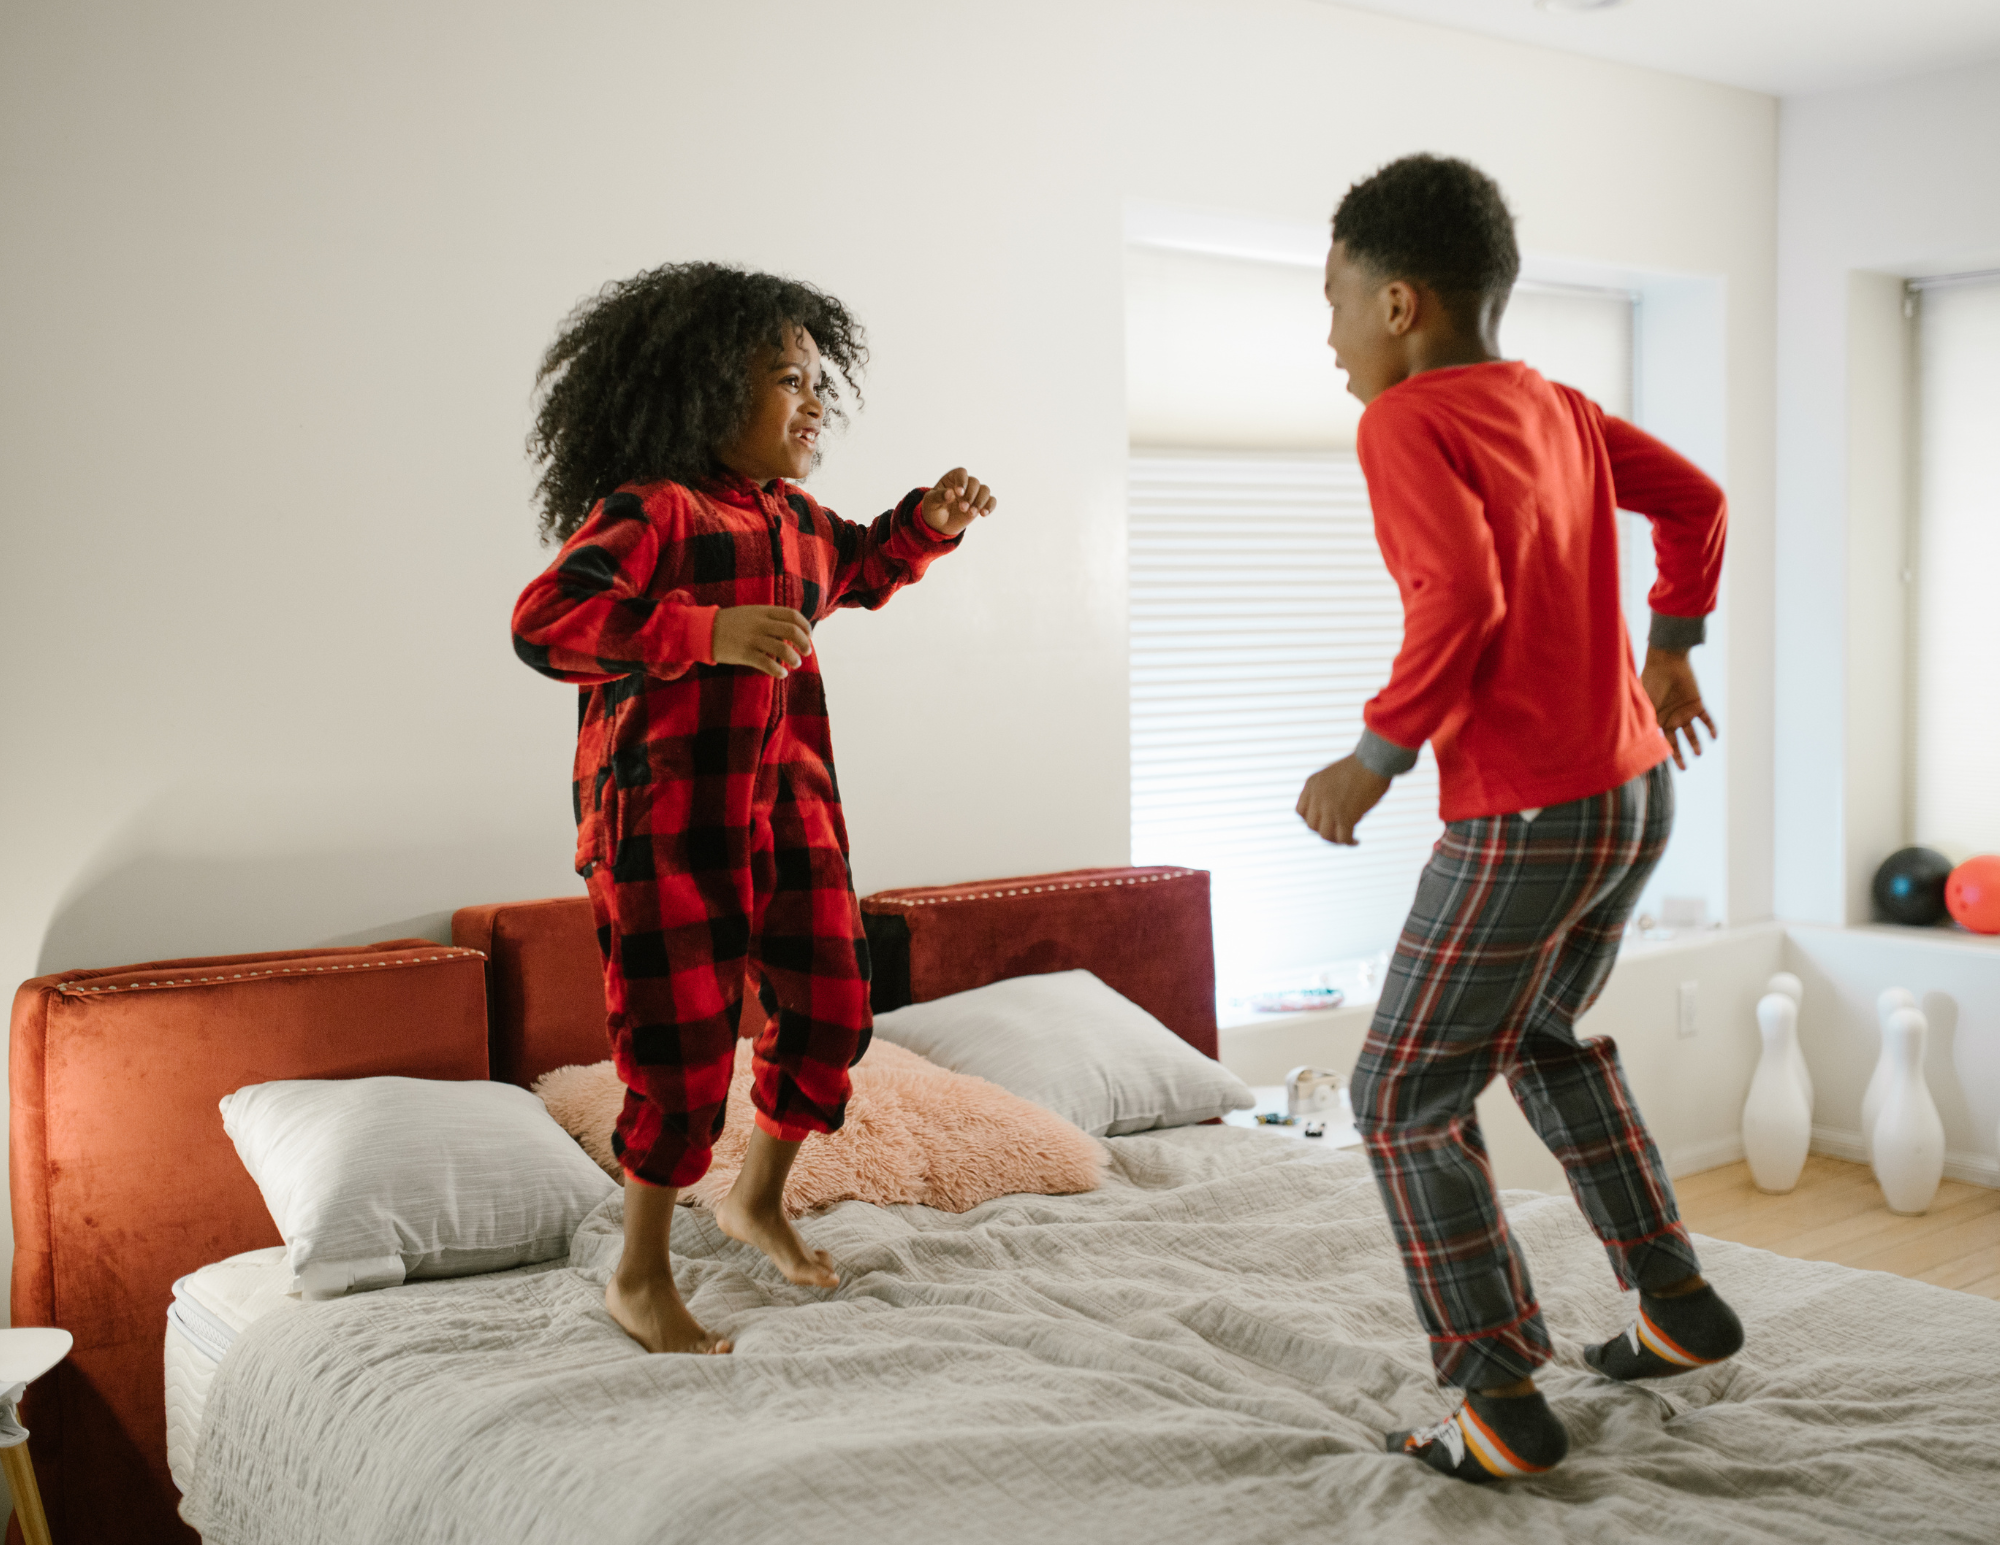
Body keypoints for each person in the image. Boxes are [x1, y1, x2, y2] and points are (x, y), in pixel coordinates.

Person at [1296, 155, 1741, 1483]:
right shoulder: (1554, 402)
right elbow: (1698, 502)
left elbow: (1463, 601)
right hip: (1633, 792)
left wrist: (1373, 758)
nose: (1325, 336)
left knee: (1399, 1095)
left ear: (1400, 305)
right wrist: (1672, 646)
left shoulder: (1407, 421)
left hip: (1532, 810)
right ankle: (1674, 1303)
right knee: (1540, 1035)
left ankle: (1493, 1395)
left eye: (1333, 302)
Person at [513, 262, 995, 1354]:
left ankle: (756, 1199)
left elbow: (863, 565)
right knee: (678, 1055)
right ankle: (638, 1274)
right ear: (699, 394)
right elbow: (547, 623)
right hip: (662, 829)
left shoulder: (795, 523)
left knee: (832, 1011)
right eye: (790, 378)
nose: (816, 401)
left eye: (821, 380)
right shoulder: (652, 512)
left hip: (789, 811)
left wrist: (925, 522)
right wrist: (699, 633)